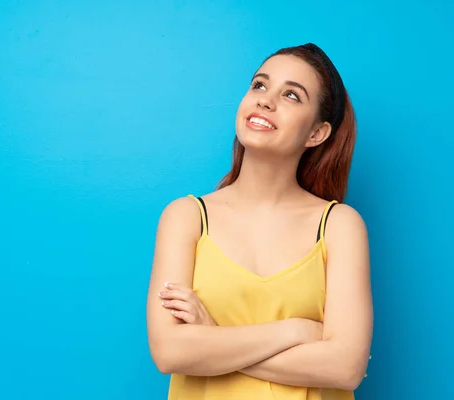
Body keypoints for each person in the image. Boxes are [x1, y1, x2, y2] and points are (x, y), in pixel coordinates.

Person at [146, 43, 373, 400]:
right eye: (260, 85)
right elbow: (170, 352)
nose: (266, 101)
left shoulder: (339, 226)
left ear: (317, 133)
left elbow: (345, 368)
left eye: (292, 96)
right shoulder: (186, 217)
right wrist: (295, 331)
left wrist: (212, 338)